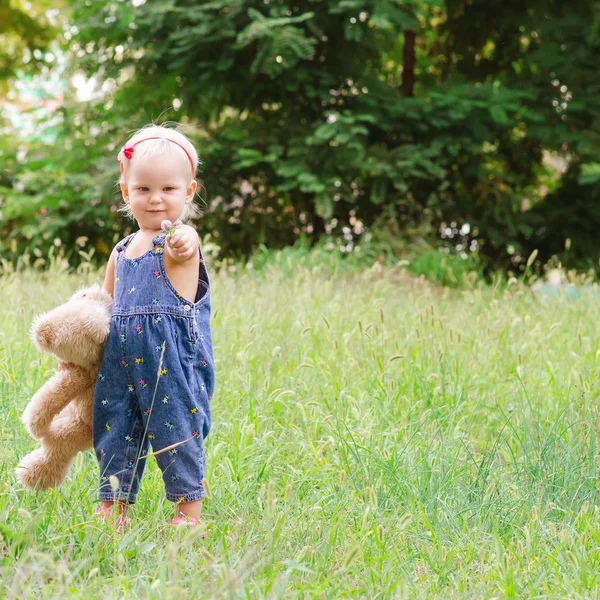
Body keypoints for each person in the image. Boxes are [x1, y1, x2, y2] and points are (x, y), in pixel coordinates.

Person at [93, 124, 214, 528]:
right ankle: (113, 507)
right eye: (143, 189)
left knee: (175, 429)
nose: (156, 198)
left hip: (171, 361)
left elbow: (189, 242)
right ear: (126, 191)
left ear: (189, 191)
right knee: (114, 429)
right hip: (119, 360)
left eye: (168, 189)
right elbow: (103, 306)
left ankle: (187, 513)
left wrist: (186, 242)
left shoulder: (180, 241)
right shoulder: (121, 250)